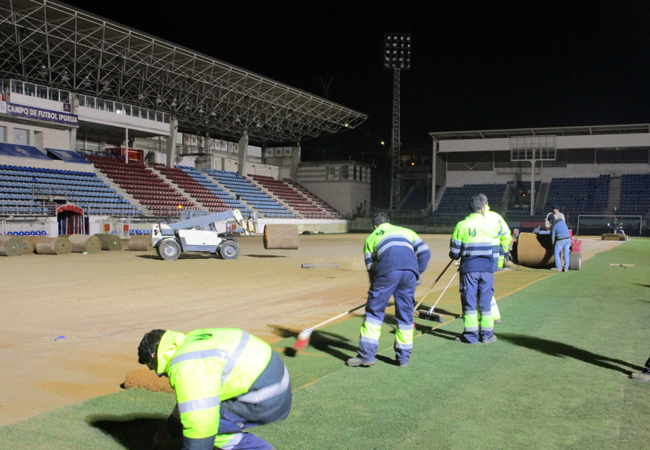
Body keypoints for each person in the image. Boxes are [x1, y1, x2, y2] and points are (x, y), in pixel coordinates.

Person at [138, 328, 291, 450]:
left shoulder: (184, 366)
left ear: (154, 355)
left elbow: (201, 428)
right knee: (199, 408)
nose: (158, 374)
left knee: (211, 430)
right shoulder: (191, 340)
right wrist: (169, 431)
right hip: (276, 378)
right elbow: (190, 404)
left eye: (153, 367)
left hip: (267, 396)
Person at [347, 212, 431, 368]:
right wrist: (417, 273)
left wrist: (376, 292)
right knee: (405, 316)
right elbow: (425, 253)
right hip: (410, 272)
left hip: (387, 271)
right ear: (389, 223)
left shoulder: (371, 238)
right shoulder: (406, 231)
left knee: (374, 314)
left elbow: (371, 268)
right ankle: (403, 358)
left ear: (375, 226)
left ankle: (366, 356)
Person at [449, 195, 500, 344]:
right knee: (485, 301)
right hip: (487, 269)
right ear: (483, 208)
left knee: (469, 301)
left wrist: (456, 254)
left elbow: (454, 251)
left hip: (469, 268)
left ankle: (471, 336)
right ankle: (487, 335)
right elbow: (496, 239)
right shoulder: (491, 225)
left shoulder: (462, 225)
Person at [478, 193, 512, 324]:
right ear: (487, 204)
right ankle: (494, 314)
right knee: (486, 286)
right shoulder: (496, 217)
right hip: (494, 255)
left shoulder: (475, 218)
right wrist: (505, 250)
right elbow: (506, 234)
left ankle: (486, 313)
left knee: (479, 286)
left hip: (479, 255)